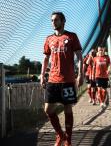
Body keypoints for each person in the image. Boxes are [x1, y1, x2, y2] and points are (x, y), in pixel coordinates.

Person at [40, 11, 83, 146]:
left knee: (67, 109)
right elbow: (46, 58)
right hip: (52, 80)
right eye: (52, 20)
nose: (53, 22)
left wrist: (81, 74)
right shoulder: (48, 39)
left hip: (68, 80)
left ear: (63, 21)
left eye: (56, 20)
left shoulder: (71, 37)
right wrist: (42, 75)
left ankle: (68, 140)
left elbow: (80, 57)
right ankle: (60, 134)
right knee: (48, 110)